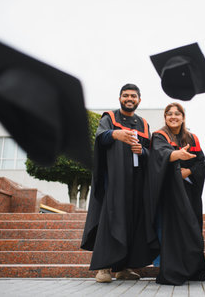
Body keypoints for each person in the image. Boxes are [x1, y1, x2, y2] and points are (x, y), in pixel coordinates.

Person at [81, 83, 158, 283]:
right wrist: (115, 134)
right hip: (114, 181)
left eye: (133, 96)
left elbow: (149, 151)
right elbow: (100, 138)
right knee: (110, 221)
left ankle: (123, 268)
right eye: (125, 95)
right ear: (120, 98)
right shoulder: (110, 118)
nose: (129, 98)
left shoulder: (144, 124)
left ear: (139, 100)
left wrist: (142, 151)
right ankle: (104, 268)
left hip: (136, 182)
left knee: (131, 223)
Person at [148, 102, 205, 285]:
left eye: (177, 113)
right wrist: (177, 156)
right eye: (169, 114)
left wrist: (187, 172)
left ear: (183, 117)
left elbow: (201, 162)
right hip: (169, 192)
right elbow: (160, 156)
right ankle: (173, 272)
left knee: (192, 228)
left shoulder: (192, 138)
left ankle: (193, 270)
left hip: (189, 190)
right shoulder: (159, 135)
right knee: (173, 232)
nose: (173, 117)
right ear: (165, 117)